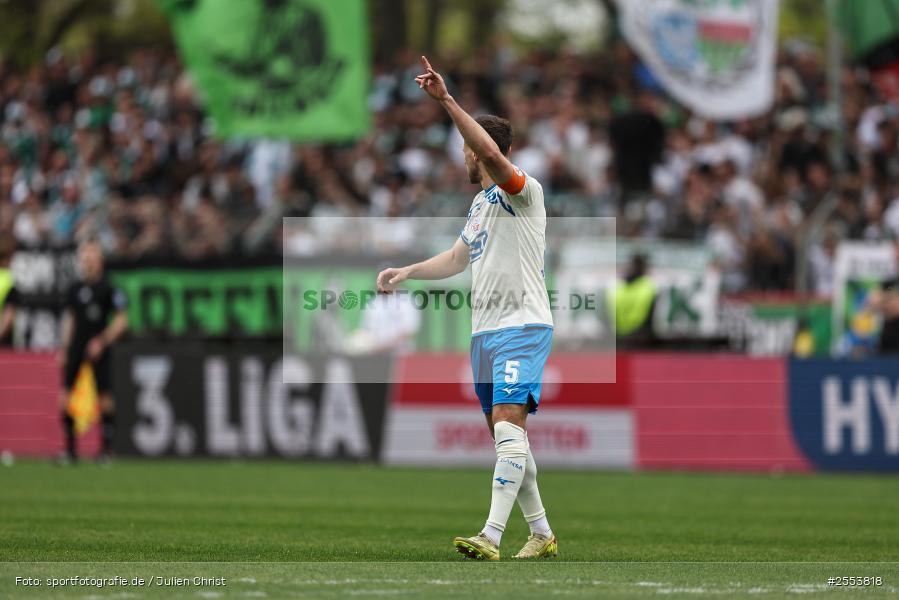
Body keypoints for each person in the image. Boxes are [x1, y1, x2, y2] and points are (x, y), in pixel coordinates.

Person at [376, 56, 556, 561]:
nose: (464, 158)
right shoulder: (479, 207)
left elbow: (493, 156)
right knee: (508, 436)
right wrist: (409, 270)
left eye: (467, 150)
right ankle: (541, 533)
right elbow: (458, 258)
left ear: (480, 151)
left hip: (523, 323)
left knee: (505, 426)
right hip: (485, 333)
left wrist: (447, 101)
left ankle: (492, 536)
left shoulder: (522, 192)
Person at [58, 241, 129, 464]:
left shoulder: (109, 288)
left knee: (105, 397)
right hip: (77, 346)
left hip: (99, 347)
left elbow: (121, 321)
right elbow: (70, 320)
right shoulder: (75, 288)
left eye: (91, 256)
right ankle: (70, 451)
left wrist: (102, 340)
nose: (87, 260)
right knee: (65, 396)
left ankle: (106, 450)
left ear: (100, 260)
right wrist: (65, 348)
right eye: (84, 256)